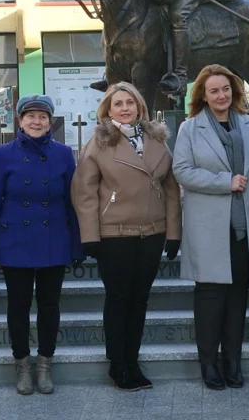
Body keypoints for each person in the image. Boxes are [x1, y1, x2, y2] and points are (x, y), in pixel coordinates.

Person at [72, 82, 181, 392]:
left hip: (152, 233)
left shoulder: (157, 140)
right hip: (114, 234)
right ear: (108, 109)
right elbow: (85, 192)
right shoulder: (99, 143)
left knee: (140, 299)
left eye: (130, 102)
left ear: (139, 107)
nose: (124, 108)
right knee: (119, 299)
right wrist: (90, 235)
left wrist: (174, 233)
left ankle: (132, 361)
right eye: (117, 103)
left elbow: (171, 189)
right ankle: (118, 364)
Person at [172, 65, 249, 390]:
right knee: (210, 297)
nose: (221, 95)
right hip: (209, 226)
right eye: (213, 91)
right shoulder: (190, 128)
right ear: (202, 94)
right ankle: (209, 364)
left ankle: (233, 361)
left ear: (235, 91)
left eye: (226, 89)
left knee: (238, 296)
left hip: (246, 227)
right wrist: (224, 182)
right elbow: (182, 170)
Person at [0, 94, 83, 395]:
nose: (36, 121)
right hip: (15, 240)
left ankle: (45, 363)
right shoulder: (2, 154)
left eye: (42, 116)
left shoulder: (64, 154)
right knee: (19, 305)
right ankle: (22, 364)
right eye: (30, 116)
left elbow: (72, 202)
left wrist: (77, 245)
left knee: (50, 305)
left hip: (54, 239)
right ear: (20, 121)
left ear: (50, 122)